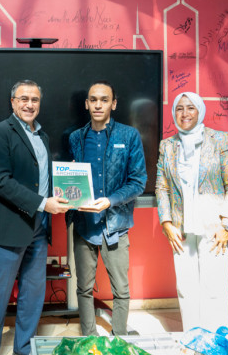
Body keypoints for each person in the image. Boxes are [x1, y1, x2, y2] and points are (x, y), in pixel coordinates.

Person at [0, 80, 71, 355]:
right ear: (13, 102)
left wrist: (69, 185)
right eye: (24, 99)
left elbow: (40, 178)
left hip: (39, 228)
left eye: (35, 99)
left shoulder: (43, 136)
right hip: (9, 227)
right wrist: (43, 204)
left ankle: (24, 349)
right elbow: (1, 182)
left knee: (32, 295)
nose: (29, 104)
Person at [155, 91, 228, 332]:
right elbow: (162, 187)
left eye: (190, 107)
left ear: (200, 110)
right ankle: (193, 337)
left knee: (214, 286)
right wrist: (166, 222)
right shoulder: (167, 146)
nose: (184, 113)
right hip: (181, 227)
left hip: (216, 226)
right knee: (186, 287)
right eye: (179, 108)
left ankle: (215, 339)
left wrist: (227, 225)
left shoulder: (220, 140)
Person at [66, 81, 147, 336]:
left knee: (121, 290)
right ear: (86, 104)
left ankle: (119, 338)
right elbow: (72, 180)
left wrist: (110, 200)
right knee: (83, 288)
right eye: (93, 100)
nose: (98, 105)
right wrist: (68, 183)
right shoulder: (76, 138)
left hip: (116, 226)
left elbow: (138, 181)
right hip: (84, 226)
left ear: (113, 103)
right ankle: (88, 339)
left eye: (104, 100)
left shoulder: (129, 136)